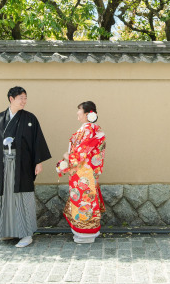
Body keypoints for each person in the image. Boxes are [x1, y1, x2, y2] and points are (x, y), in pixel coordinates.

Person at [0, 86, 51, 248]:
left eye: (25, 98)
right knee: (7, 198)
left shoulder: (30, 118)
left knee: (22, 197)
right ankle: (6, 231)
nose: (24, 101)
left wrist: (38, 162)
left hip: (23, 165)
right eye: (21, 98)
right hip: (4, 165)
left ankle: (26, 234)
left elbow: (36, 141)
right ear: (11, 99)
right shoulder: (0, 118)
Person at [56, 100, 106, 243]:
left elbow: (80, 152)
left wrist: (67, 157)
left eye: (79, 110)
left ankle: (85, 233)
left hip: (84, 174)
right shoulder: (90, 129)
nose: (77, 113)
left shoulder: (89, 130)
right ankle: (86, 232)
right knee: (85, 200)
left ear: (87, 114)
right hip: (84, 173)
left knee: (84, 201)